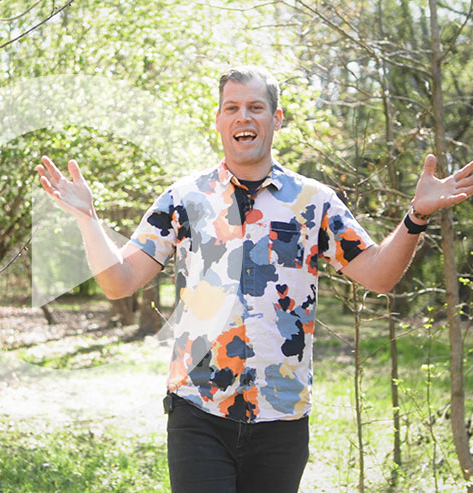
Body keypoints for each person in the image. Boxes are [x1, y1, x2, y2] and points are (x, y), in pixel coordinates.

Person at [35, 65, 473, 492]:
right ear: (219, 120)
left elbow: (378, 274)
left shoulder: (314, 202)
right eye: (231, 108)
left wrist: (416, 217)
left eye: (255, 107)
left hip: (281, 419)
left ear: (276, 119)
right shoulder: (183, 199)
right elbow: (119, 281)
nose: (242, 117)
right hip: (199, 410)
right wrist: (87, 218)